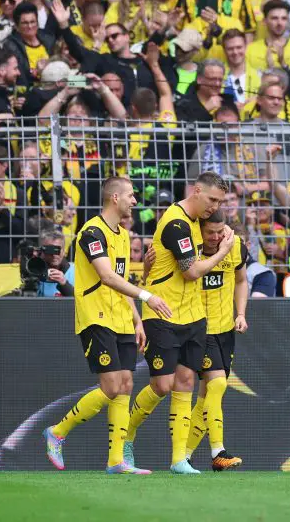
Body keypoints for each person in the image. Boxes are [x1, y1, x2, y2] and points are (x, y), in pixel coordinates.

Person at [43, 177, 172, 475]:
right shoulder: (92, 232)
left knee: (126, 385)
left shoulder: (124, 236)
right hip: (96, 317)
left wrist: (136, 319)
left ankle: (116, 460)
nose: (135, 202)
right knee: (112, 386)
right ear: (115, 198)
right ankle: (58, 431)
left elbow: (121, 281)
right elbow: (107, 277)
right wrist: (147, 297)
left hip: (122, 319)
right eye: (131, 196)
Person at [125, 171, 236, 474]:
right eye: (212, 199)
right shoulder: (176, 223)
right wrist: (224, 251)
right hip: (162, 313)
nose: (214, 206)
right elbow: (190, 271)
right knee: (162, 385)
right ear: (196, 191)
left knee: (186, 383)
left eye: (220, 202)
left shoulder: (198, 224)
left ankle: (178, 460)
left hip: (194, 316)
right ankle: (127, 433)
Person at [184, 211, 249, 472]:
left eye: (219, 232)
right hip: (199, 329)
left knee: (205, 398)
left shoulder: (236, 247)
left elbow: (242, 280)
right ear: (199, 231)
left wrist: (241, 313)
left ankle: (184, 457)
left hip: (224, 331)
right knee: (219, 383)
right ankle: (218, 451)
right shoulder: (189, 251)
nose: (215, 237)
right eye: (210, 232)